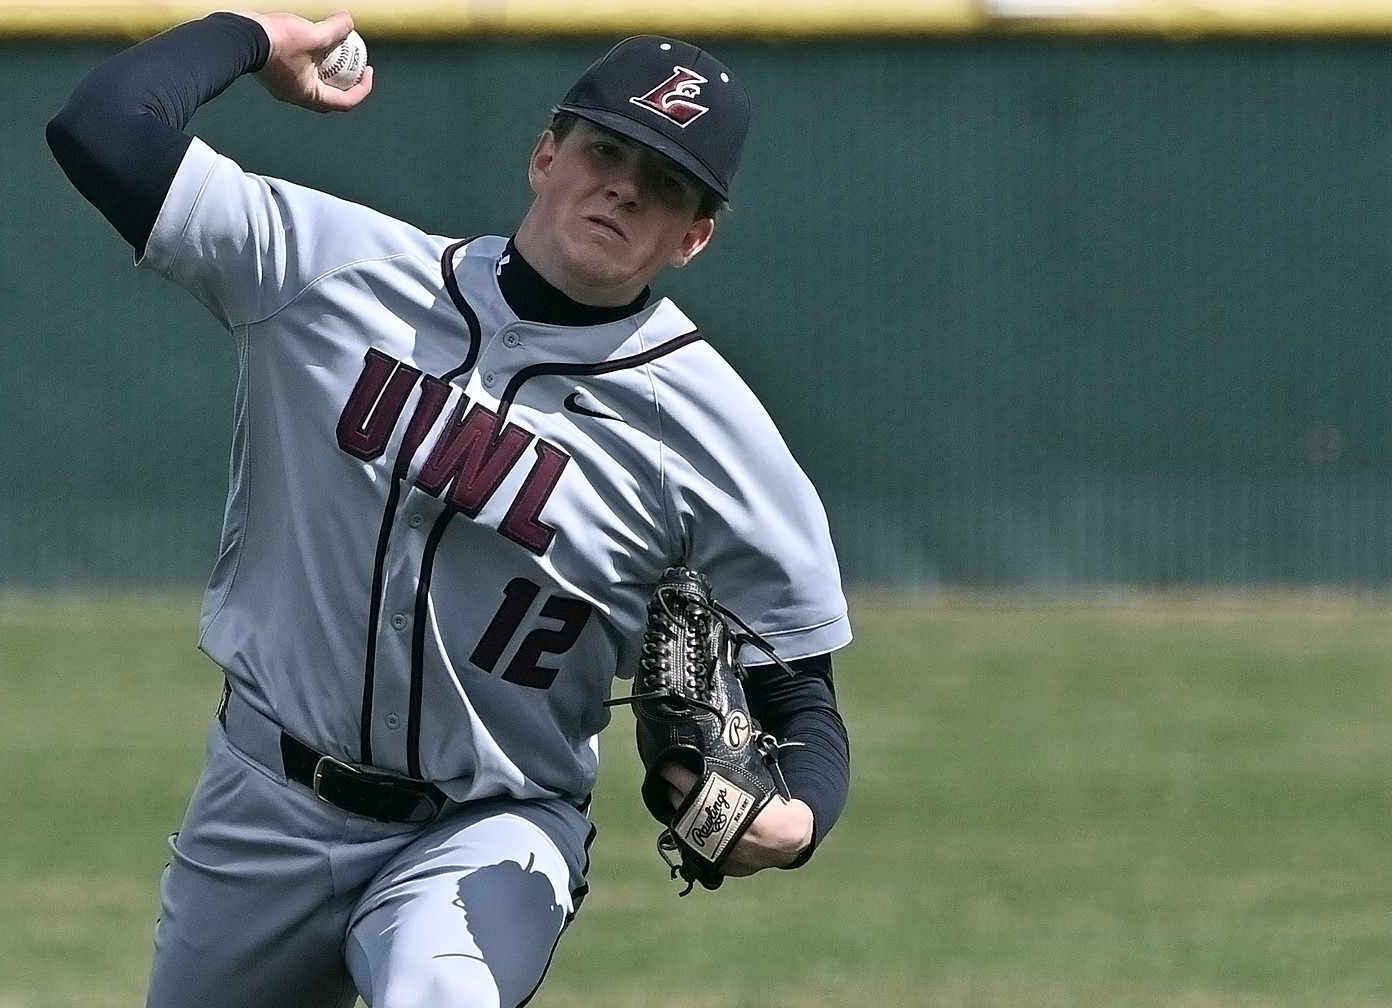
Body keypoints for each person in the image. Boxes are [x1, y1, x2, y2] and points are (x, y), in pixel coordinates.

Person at [46, 11, 852, 1007]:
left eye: (666, 184)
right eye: (607, 150)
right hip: (263, 798)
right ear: (547, 153)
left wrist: (799, 819)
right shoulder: (330, 270)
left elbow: (801, 699)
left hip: (488, 826)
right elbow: (102, 125)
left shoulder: (721, 438)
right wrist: (253, 35)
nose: (623, 188)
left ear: (694, 236)